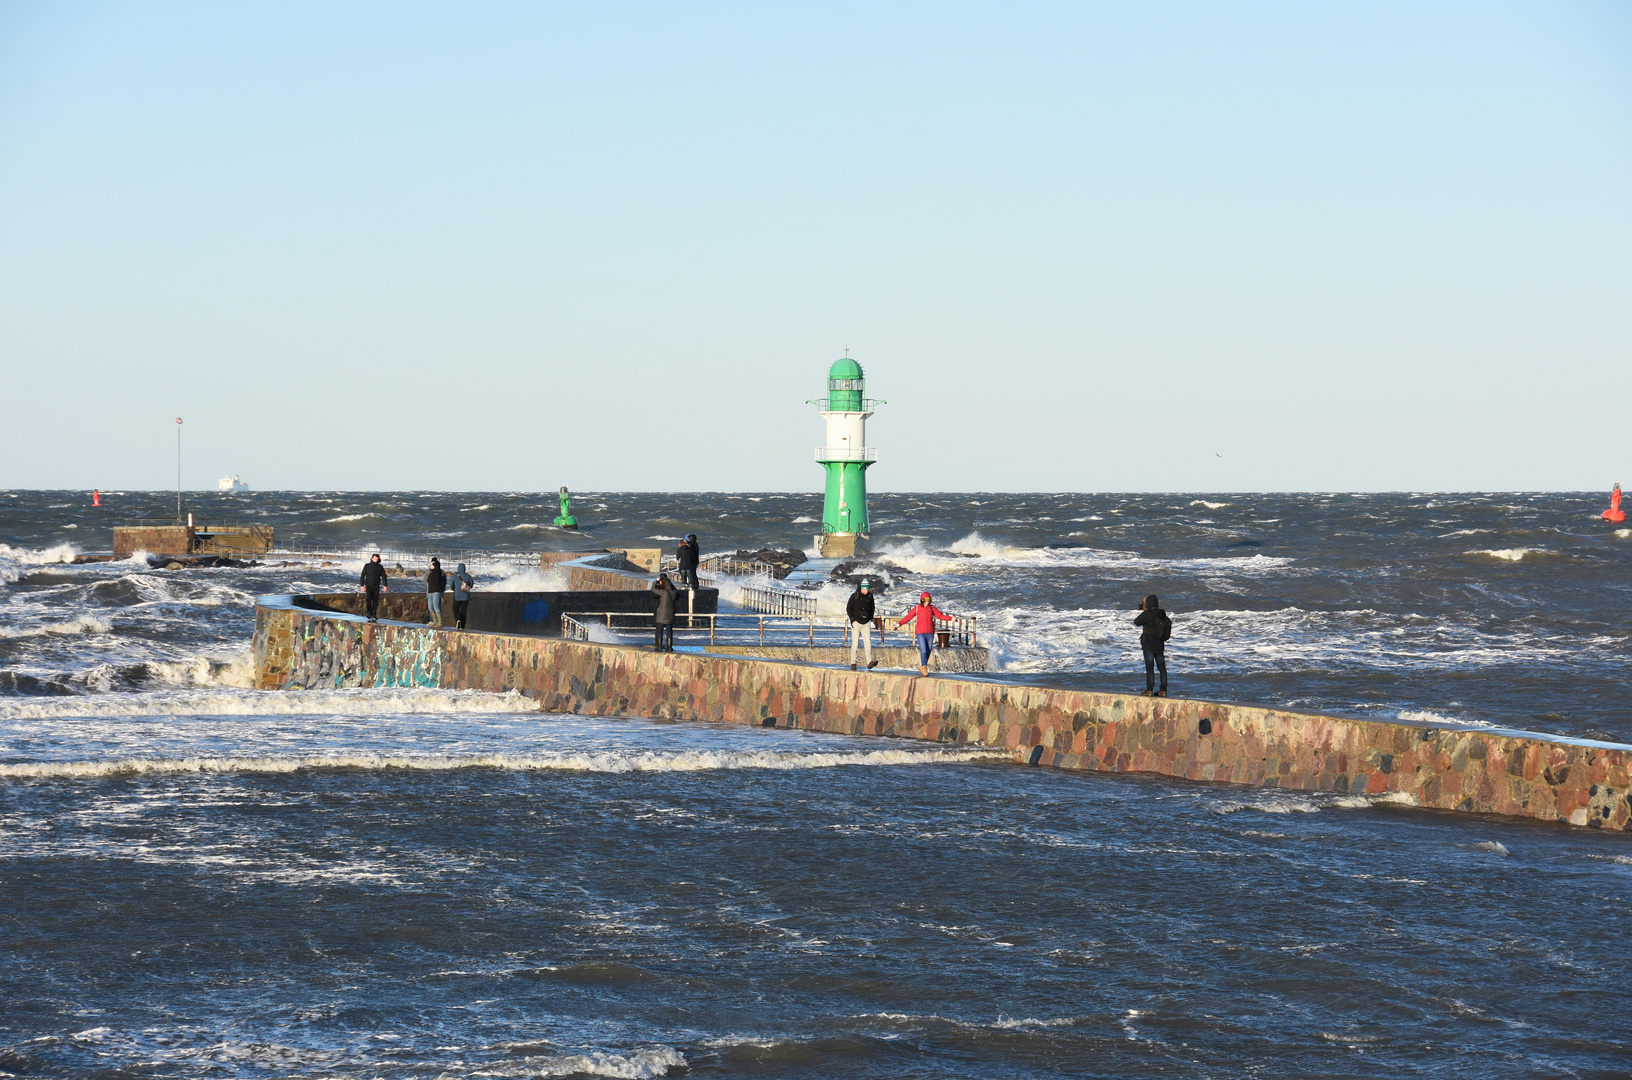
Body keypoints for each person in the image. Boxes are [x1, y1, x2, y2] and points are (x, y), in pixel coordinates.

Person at [896, 591, 951, 677]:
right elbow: (908, 617)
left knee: (928, 650)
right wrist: (899, 624)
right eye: (926, 599)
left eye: (929, 599)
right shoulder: (917, 608)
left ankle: (922, 666)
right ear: (922, 600)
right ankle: (924, 666)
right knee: (924, 650)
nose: (927, 601)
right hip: (920, 632)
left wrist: (951, 618)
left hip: (930, 633)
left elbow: (941, 616)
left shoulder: (932, 608)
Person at [1134, 594, 1172, 698]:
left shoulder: (1148, 614)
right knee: (1162, 669)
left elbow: (1136, 622)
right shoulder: (1161, 614)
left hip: (1149, 646)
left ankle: (1149, 690)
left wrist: (1144, 611)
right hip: (1160, 646)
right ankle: (1163, 690)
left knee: (1150, 668)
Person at [846, 577, 878, 670]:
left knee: (868, 642)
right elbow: (848, 608)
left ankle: (869, 662)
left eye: (867, 589)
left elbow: (872, 607)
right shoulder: (854, 596)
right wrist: (852, 620)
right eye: (865, 589)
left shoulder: (870, 596)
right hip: (856, 623)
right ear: (861, 588)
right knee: (855, 643)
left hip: (866, 623)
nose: (866, 591)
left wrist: (870, 618)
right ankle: (853, 662)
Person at [651, 572, 679, 651]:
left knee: (660, 631)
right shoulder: (674, 592)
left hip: (661, 614)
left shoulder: (663, 593)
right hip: (670, 614)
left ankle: (659, 647)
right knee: (669, 631)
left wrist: (656, 582)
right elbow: (676, 593)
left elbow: (653, 589)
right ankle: (669, 647)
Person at [359, 553, 388, 623]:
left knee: (375, 600)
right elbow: (362, 576)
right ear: (372, 558)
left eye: (376, 559)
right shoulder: (367, 566)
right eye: (374, 559)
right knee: (368, 599)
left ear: (378, 560)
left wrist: (385, 585)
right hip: (368, 585)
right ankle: (369, 612)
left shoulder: (380, 567)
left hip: (376, 585)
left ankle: (374, 614)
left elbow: (384, 576)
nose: (375, 560)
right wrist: (362, 585)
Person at [450, 562, 474, 630]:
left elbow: (451, 585)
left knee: (455, 609)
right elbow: (471, 585)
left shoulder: (454, 576)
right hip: (465, 596)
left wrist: (454, 589)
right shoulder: (468, 576)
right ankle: (462, 626)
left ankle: (458, 619)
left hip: (457, 596)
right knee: (463, 611)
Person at [425, 557, 446, 628]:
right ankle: (434, 621)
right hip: (430, 591)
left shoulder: (439, 572)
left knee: (436, 606)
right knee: (430, 606)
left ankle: (440, 622)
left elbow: (442, 582)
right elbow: (426, 580)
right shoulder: (430, 572)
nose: (430, 566)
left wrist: (442, 594)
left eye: (432, 565)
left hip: (436, 591)